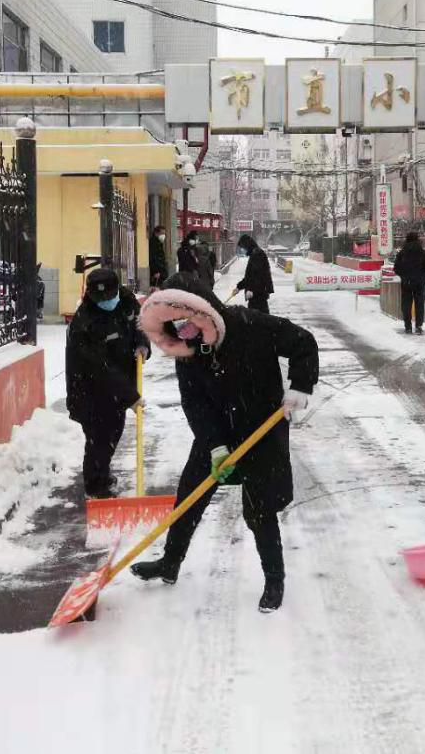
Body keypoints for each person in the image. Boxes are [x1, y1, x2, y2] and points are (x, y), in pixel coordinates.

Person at [130, 272, 319, 613]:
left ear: (203, 312)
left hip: (262, 429)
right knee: (190, 495)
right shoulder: (188, 348)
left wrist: (299, 387)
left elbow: (303, 342)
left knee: (259, 510)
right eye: (177, 329)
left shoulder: (253, 325)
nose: (184, 334)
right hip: (217, 430)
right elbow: (195, 404)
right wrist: (215, 446)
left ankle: (274, 580)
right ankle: (170, 563)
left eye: (187, 324)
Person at [65, 268, 149, 499]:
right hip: (89, 390)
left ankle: (102, 474)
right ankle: (96, 488)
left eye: (109, 297)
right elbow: (99, 369)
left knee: (113, 432)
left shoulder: (127, 301)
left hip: (117, 387)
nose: (106, 302)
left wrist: (142, 344)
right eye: (100, 299)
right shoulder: (84, 324)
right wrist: (130, 396)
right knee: (98, 438)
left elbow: (140, 325)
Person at [392, 231, 425, 334]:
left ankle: (408, 326)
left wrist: (404, 275)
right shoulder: (423, 252)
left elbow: (396, 268)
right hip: (419, 282)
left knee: (406, 304)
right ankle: (418, 326)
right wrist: (422, 274)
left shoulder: (402, 253)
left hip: (406, 282)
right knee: (419, 304)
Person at [234, 233, 275, 314]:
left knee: (259, 319)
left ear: (247, 245)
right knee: (258, 319)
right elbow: (250, 276)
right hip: (256, 295)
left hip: (257, 295)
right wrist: (239, 287)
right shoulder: (254, 254)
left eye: (243, 247)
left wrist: (252, 290)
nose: (243, 249)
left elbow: (259, 276)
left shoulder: (257, 254)